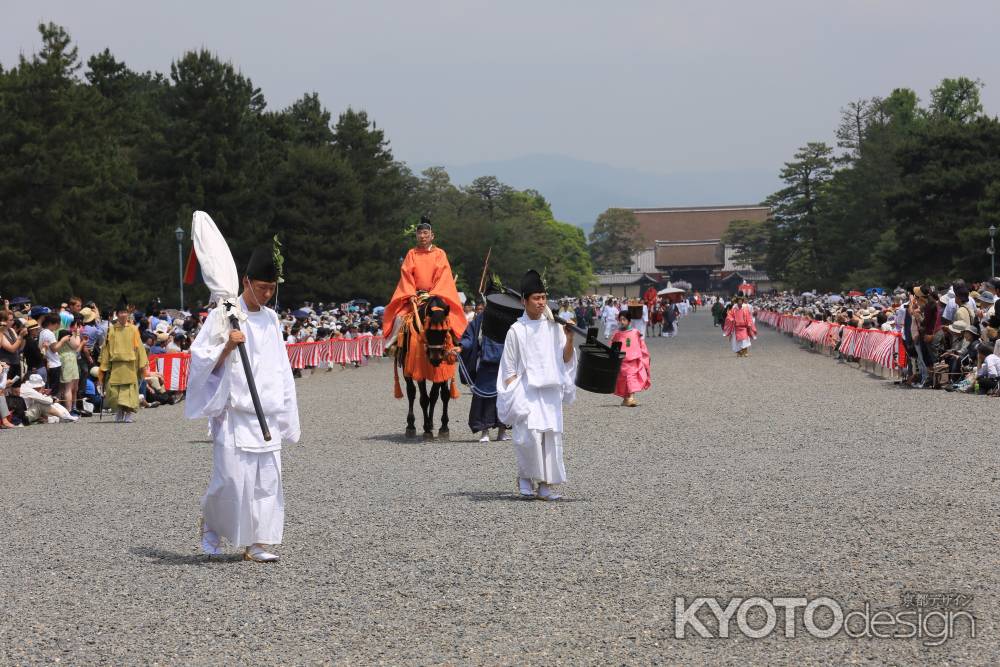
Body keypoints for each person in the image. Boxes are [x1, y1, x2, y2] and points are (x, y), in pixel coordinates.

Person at [185, 243, 300, 563]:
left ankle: (258, 542)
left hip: (267, 414)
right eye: (261, 287)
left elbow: (281, 367)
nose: (266, 294)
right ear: (246, 281)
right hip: (235, 412)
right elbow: (199, 360)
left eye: (271, 289)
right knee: (231, 481)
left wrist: (287, 410)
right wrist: (226, 347)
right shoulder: (225, 314)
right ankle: (211, 524)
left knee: (267, 484)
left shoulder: (272, 319)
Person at [497, 270, 577, 501]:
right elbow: (508, 367)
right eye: (536, 298)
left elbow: (566, 359)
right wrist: (515, 390)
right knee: (528, 436)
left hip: (550, 391)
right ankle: (525, 478)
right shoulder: (516, 330)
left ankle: (546, 484)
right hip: (527, 391)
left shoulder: (554, 326)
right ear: (524, 300)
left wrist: (570, 338)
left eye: (543, 297)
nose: (541, 302)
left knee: (550, 438)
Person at [382, 216, 467, 344]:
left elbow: (443, 276)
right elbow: (406, 275)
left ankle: (457, 344)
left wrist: (433, 295)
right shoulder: (411, 253)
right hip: (415, 297)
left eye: (425, 233)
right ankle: (392, 345)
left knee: (451, 319)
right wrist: (410, 294)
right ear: (416, 236)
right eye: (419, 233)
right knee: (399, 318)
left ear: (432, 236)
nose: (422, 236)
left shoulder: (440, 253)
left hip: (436, 296)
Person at [459, 306, 509, 443]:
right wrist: (461, 346)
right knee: (483, 398)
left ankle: (502, 431)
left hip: (505, 364)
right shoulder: (481, 318)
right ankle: (484, 431)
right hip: (486, 364)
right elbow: (470, 336)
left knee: (505, 397)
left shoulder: (508, 317)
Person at [98, 298, 148, 423]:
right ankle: (119, 411)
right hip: (116, 364)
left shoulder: (133, 329)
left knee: (129, 390)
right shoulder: (112, 329)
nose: (123, 314)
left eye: (125, 312)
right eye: (120, 312)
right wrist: (103, 366)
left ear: (128, 314)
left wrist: (142, 364)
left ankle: (128, 413)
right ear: (117, 314)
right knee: (115, 391)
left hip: (130, 364)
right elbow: (106, 348)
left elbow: (139, 347)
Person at [611, 310, 651, 407]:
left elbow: (642, 345)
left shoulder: (635, 332)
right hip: (621, 361)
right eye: (620, 320)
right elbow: (613, 346)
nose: (622, 322)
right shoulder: (617, 334)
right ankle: (626, 398)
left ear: (629, 321)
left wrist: (645, 356)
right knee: (622, 379)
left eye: (624, 319)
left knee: (631, 377)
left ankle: (632, 397)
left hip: (633, 360)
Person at [723, 293, 758, 357]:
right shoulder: (734, 308)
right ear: (737, 301)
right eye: (738, 301)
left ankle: (745, 351)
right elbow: (729, 315)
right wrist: (731, 319)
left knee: (745, 340)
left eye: (741, 301)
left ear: (742, 301)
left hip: (744, 326)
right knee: (736, 341)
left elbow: (748, 316)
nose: (740, 302)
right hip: (736, 327)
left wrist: (749, 323)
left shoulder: (746, 308)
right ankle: (739, 352)